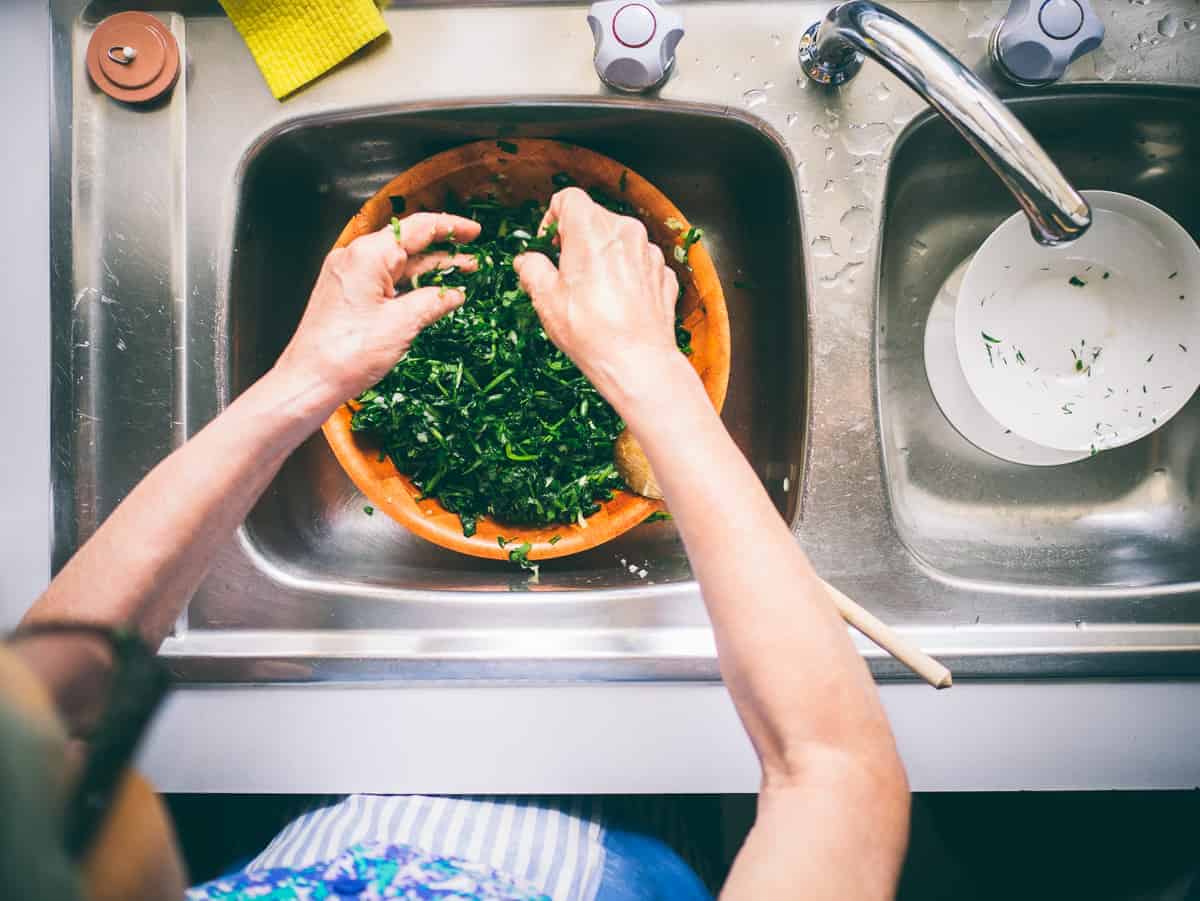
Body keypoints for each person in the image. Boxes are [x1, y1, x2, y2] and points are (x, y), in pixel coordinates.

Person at [2, 188, 909, 899]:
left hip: (346, 823)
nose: (81, 738)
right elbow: (835, 779)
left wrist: (303, 380)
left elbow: (63, 697)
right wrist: (649, 370)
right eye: (85, 771)